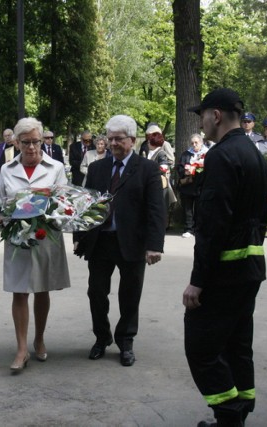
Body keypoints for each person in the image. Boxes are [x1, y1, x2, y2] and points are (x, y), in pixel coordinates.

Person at [184, 88, 267, 427]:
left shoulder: (221, 156)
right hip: (250, 267)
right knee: (237, 344)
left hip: (224, 271)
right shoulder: (253, 154)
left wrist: (197, 281)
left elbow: (212, 226)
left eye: (202, 115)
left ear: (215, 116)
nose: (201, 122)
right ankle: (239, 412)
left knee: (202, 349)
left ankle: (228, 415)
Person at [74, 114, 165, 367]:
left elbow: (156, 210)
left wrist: (155, 245)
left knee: (130, 294)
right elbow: (84, 205)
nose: (112, 143)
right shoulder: (96, 168)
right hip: (101, 242)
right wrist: (79, 236)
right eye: (110, 138)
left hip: (132, 243)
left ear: (133, 141)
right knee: (96, 293)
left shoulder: (147, 169)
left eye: (118, 139)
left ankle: (126, 341)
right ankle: (101, 338)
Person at [0, 117, 70, 373]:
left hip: (45, 237)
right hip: (17, 239)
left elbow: (64, 204)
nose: (33, 147)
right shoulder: (7, 169)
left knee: (42, 289)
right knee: (19, 291)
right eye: (26, 142)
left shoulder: (56, 167)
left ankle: (39, 338)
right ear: (16, 142)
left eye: (37, 141)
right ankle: (22, 348)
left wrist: (47, 214)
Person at [176, 133, 208, 238]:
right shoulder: (186, 154)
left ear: (201, 142)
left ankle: (198, 228)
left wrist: (199, 169)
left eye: (196, 142)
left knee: (200, 208)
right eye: (192, 143)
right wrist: (186, 172)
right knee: (188, 209)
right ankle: (188, 229)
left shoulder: (207, 153)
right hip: (188, 186)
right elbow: (179, 167)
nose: (194, 145)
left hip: (201, 185)